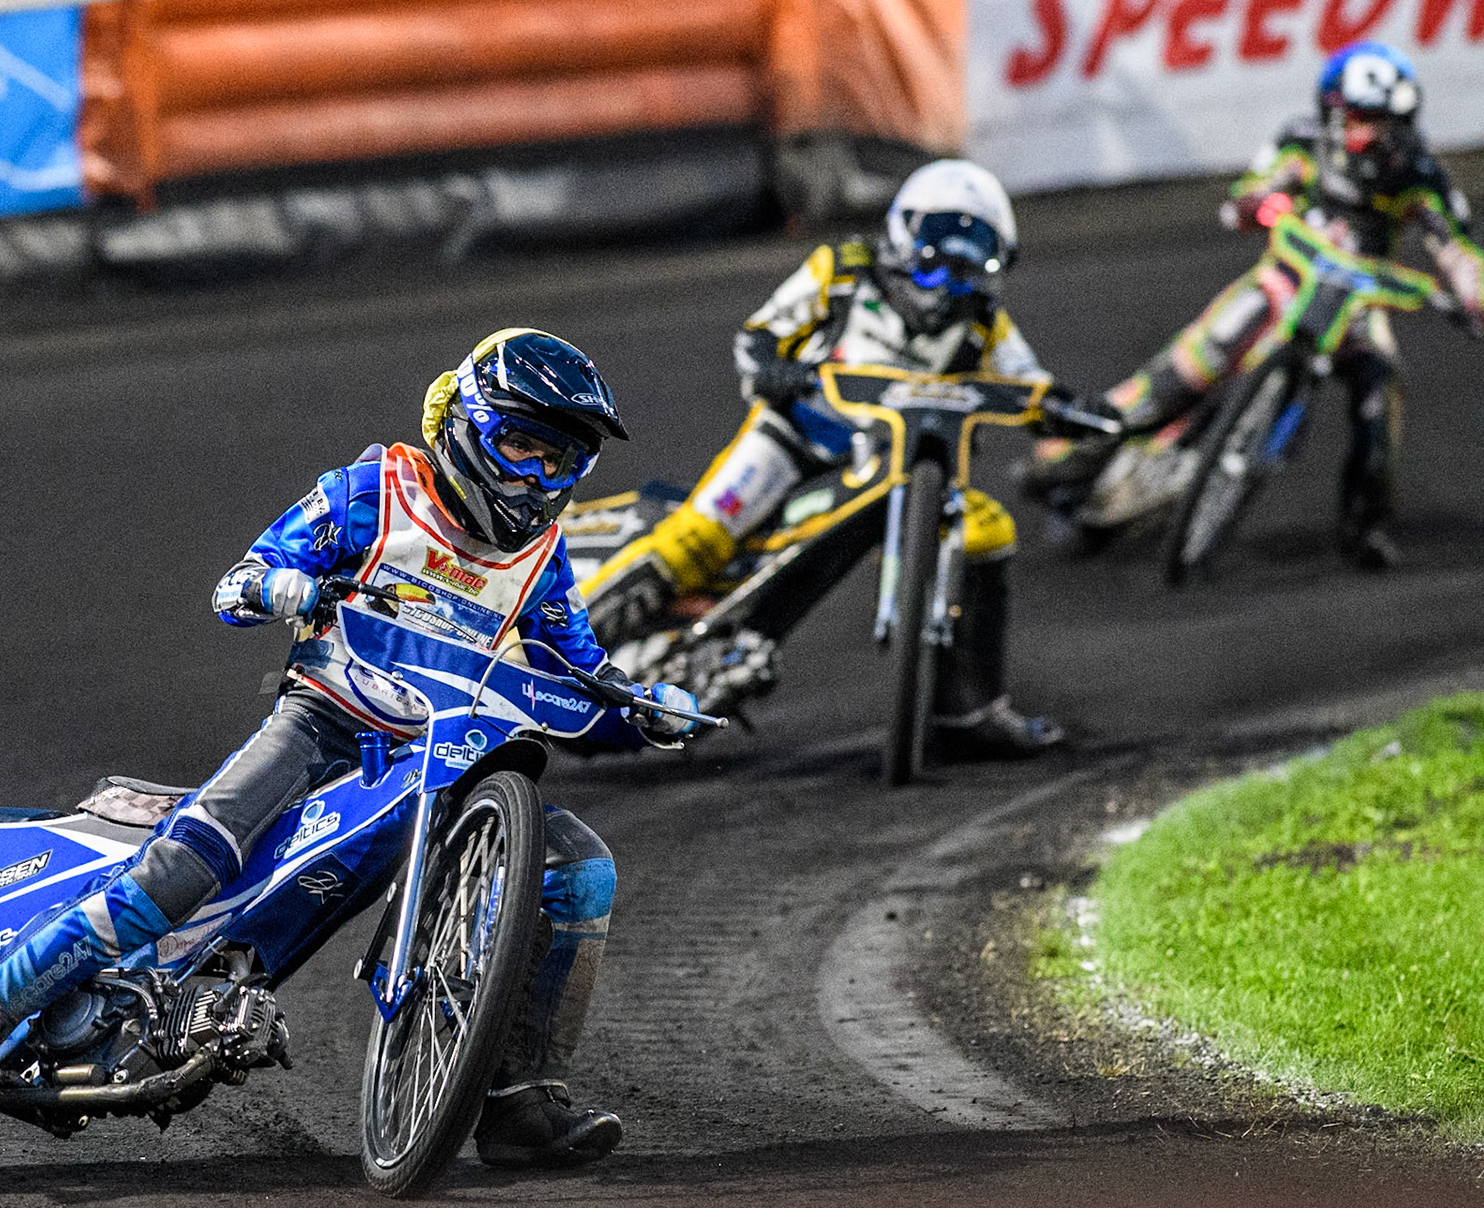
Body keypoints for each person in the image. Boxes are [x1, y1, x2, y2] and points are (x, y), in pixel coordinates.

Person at [0, 329, 703, 1169]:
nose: (535, 476)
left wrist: (651, 704)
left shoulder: (542, 559)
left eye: (559, 460)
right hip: (322, 725)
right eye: (520, 443)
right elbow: (236, 585)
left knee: (581, 871)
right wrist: (285, 585)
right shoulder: (370, 492)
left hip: (444, 758)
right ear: (465, 422)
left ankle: (518, 1100)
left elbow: (582, 674)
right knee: (181, 866)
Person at [580, 159, 1065, 758]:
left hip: (893, 465)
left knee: (987, 531)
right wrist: (775, 371)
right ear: (902, 235)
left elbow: (1032, 384)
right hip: (792, 439)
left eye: (970, 266)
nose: (948, 283)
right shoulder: (842, 272)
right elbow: (760, 334)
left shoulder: (985, 325)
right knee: (699, 537)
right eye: (937, 256)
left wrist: (1068, 413)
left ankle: (970, 713)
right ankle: (553, 645)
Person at [1023, 41, 1484, 570]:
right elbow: (1251, 189)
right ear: (1334, 113)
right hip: (1279, 284)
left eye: (1389, 121)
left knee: (1380, 396)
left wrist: (1471, 296)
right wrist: (1256, 203)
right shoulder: (1302, 142)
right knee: (1177, 376)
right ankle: (1071, 451)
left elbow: (1457, 248)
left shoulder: (1422, 175)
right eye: (1364, 119)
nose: (1377, 134)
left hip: (1357, 309)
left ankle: (1365, 528)